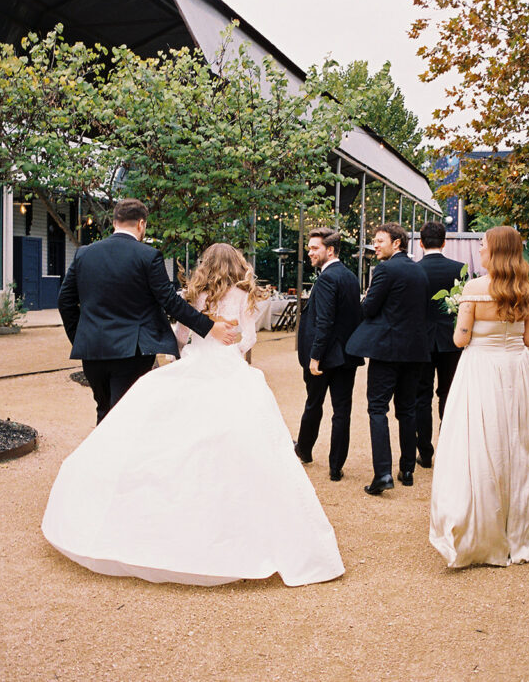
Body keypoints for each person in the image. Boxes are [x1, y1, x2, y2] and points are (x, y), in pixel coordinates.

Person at [42, 243, 345, 587]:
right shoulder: (246, 295)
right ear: (238, 264)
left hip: (196, 365)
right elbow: (246, 340)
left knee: (177, 442)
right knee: (243, 446)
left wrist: (186, 350)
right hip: (229, 370)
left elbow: (182, 335)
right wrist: (229, 339)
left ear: (206, 266)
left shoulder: (195, 293)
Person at [57, 198, 239, 423]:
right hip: (133, 352)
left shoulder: (84, 254)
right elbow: (170, 302)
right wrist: (211, 327)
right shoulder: (148, 256)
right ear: (141, 224)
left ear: (115, 221)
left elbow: (65, 302)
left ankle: (104, 456)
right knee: (126, 416)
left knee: (104, 413)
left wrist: (81, 338)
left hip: (93, 350)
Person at [429, 226, 529, 568]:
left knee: (478, 440)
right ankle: (515, 527)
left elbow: (460, 340)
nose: (479, 249)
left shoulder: (475, 289)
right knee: (516, 443)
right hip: (516, 370)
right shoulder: (528, 290)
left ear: (494, 251)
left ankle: (480, 525)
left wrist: (463, 322)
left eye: (482, 245)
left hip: (481, 368)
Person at [345, 223, 429, 495]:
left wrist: (367, 298)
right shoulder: (420, 271)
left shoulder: (385, 269)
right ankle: (407, 469)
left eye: (380, 240)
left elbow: (369, 309)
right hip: (415, 351)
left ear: (397, 243)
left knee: (377, 409)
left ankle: (382, 473)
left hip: (387, 349)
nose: (376, 245)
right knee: (407, 409)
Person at [295, 228, 363, 481]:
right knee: (342, 410)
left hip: (324, 356)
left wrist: (315, 356)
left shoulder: (326, 279)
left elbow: (324, 321)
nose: (310, 252)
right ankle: (336, 467)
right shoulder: (349, 276)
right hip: (346, 354)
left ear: (330, 250)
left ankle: (304, 450)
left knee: (314, 403)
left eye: (314, 248)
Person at [414, 220, 466, 468]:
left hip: (421, 340)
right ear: (444, 242)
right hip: (450, 340)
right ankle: (447, 448)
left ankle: (424, 452)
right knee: (448, 394)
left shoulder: (414, 270)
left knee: (421, 396)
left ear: (421, 243)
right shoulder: (460, 269)